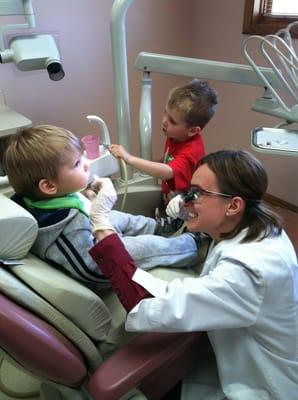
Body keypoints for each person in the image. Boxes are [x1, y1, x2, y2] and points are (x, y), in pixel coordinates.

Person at [88, 149, 298, 399]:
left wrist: (102, 226)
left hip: (261, 386)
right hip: (232, 347)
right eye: (189, 190)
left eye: (196, 193)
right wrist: (192, 207)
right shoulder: (260, 225)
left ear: (233, 205)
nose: (187, 200)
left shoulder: (246, 272)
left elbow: (144, 304)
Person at [3, 125, 203, 288]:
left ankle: (162, 226)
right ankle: (192, 245)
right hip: (102, 263)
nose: (86, 165)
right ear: (48, 186)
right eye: (76, 164)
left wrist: (88, 197)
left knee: (120, 218)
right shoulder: (60, 229)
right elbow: (93, 269)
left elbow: (91, 214)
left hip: (91, 232)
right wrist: (103, 223)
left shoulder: (45, 198)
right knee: (145, 246)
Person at [109, 78, 218, 205]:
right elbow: (170, 159)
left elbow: (168, 171)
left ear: (193, 130)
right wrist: (153, 162)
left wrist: (129, 158)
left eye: (172, 121)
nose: (164, 121)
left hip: (185, 207)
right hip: (170, 196)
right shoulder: (177, 135)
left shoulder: (191, 151)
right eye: (165, 113)